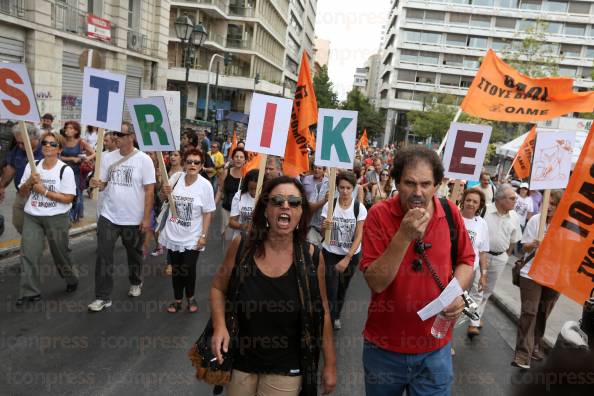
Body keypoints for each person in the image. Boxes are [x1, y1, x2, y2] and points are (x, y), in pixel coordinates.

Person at [360, 146, 475, 396]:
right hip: (384, 350)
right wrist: (403, 235)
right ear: (396, 182)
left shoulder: (450, 212)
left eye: (426, 184)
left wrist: (456, 293)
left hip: (435, 352)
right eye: (410, 183)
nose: (418, 192)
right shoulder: (379, 215)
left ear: (437, 185)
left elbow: (466, 261)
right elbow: (376, 282)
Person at [210, 176, 336, 396]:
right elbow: (218, 288)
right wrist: (220, 326)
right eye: (277, 200)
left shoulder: (312, 256)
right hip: (240, 359)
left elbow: (322, 311)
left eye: (294, 202)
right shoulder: (242, 246)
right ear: (266, 209)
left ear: (301, 212)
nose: (285, 205)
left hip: (287, 365)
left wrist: (330, 364)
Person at [88, 121, 156, 312]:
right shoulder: (107, 158)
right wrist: (96, 183)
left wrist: (145, 219)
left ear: (131, 137)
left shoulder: (144, 160)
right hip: (109, 216)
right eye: (114, 134)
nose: (116, 137)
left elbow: (149, 191)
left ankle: (136, 281)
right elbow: (103, 184)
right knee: (103, 256)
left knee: (134, 255)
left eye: (120, 134)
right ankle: (102, 296)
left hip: (133, 220)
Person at [16, 131, 78, 305]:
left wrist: (43, 191)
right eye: (45, 142)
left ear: (59, 148)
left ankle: (71, 278)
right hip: (33, 216)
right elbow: (21, 192)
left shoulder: (64, 170)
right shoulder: (33, 166)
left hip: (57, 217)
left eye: (52, 144)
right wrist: (29, 182)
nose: (47, 146)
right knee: (28, 253)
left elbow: (68, 198)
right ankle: (30, 292)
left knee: (60, 255)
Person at [512, 189, 564, 369]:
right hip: (530, 273)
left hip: (554, 276)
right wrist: (533, 244)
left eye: (553, 204)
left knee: (543, 313)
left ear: (560, 207)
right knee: (530, 311)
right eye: (546, 203)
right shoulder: (536, 220)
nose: (548, 207)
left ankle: (534, 345)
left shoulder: (566, 225)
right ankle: (522, 354)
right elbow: (523, 248)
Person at [159, 149, 215, 313]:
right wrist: (164, 192)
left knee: (187, 267)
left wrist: (203, 236)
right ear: (184, 163)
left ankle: (190, 296)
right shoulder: (176, 178)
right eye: (189, 161)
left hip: (193, 237)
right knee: (176, 269)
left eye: (196, 162)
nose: (192, 165)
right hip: (173, 233)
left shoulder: (205, 186)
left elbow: (207, 213)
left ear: (201, 165)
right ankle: (177, 300)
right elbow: (163, 200)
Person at [469, 184, 522, 335]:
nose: (515, 201)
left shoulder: (514, 217)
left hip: (500, 258)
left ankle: (476, 316)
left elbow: (514, 240)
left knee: (487, 291)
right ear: (500, 199)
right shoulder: (484, 210)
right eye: (512, 198)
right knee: (477, 288)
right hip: (480, 256)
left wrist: (505, 255)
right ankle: (473, 322)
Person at [321, 171, 366, 330]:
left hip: (351, 255)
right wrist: (324, 227)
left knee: (342, 288)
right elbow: (322, 233)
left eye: (348, 188)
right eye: (342, 187)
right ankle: (328, 320)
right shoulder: (329, 205)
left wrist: (347, 258)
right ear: (337, 188)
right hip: (330, 253)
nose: (345, 191)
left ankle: (337, 315)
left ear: (353, 188)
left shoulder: (358, 208)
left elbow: (360, 235)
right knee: (330, 289)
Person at [0, 123, 43, 234]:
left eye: (22, 142)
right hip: (21, 193)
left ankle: (36, 245)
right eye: (18, 142)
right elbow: (10, 168)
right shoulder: (17, 149)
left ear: (34, 138)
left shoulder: (46, 150)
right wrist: (2, 186)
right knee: (18, 222)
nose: (19, 145)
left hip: (40, 197)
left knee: (37, 227)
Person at [459, 189, 490, 338]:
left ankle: (448, 339)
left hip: (471, 271)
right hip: (451, 270)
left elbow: (483, 251)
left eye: (475, 202)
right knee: (449, 303)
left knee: (462, 303)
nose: (471, 203)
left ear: (480, 206)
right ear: (463, 200)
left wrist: (483, 275)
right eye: (468, 200)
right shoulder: (454, 217)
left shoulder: (482, 224)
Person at [60, 121, 95, 223]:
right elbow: (58, 156)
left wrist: (86, 158)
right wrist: (71, 158)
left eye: (71, 128)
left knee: (76, 193)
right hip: (63, 170)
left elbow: (94, 153)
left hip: (77, 172)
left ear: (76, 131)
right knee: (64, 192)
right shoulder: (62, 141)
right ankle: (66, 215)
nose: (68, 130)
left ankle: (75, 216)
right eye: (67, 127)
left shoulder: (81, 142)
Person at [215, 147, 246, 246]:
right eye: (236, 156)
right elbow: (220, 190)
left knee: (239, 239)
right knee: (228, 238)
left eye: (241, 157)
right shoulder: (226, 172)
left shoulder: (247, 175)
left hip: (241, 213)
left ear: (245, 160)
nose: (238, 159)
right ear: (232, 158)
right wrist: (213, 206)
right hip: (227, 210)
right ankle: (227, 259)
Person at [302, 165, 329, 246]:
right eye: (315, 168)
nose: (316, 170)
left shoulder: (329, 184)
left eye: (319, 168)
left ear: (324, 170)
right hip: (308, 220)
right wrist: (324, 200)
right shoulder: (306, 179)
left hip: (324, 225)